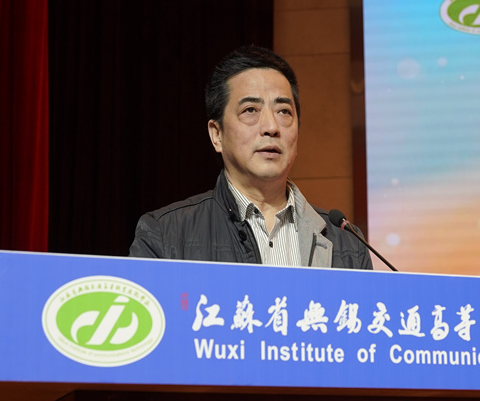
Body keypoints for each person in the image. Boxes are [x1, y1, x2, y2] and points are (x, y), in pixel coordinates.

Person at [129, 45, 373, 270]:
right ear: (217, 135)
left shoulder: (348, 244)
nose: (271, 127)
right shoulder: (165, 235)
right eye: (250, 110)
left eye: (284, 111)